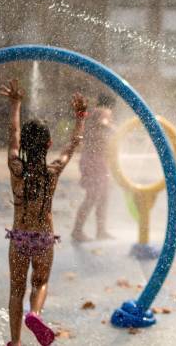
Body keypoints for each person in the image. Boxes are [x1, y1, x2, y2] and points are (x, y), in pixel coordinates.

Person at [0, 78, 87, 346]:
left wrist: (16, 104)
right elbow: (73, 144)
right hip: (43, 239)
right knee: (40, 283)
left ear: (25, 145)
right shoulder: (53, 171)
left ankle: (15, 342)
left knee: (16, 290)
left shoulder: (15, 167)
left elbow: (13, 133)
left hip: (19, 239)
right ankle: (35, 314)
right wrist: (80, 116)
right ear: (49, 144)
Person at [72, 93, 116, 242]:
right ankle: (77, 231)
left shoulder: (92, 112)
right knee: (93, 197)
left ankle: (100, 231)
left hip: (94, 160)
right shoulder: (104, 111)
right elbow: (103, 123)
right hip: (95, 161)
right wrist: (117, 131)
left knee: (103, 196)